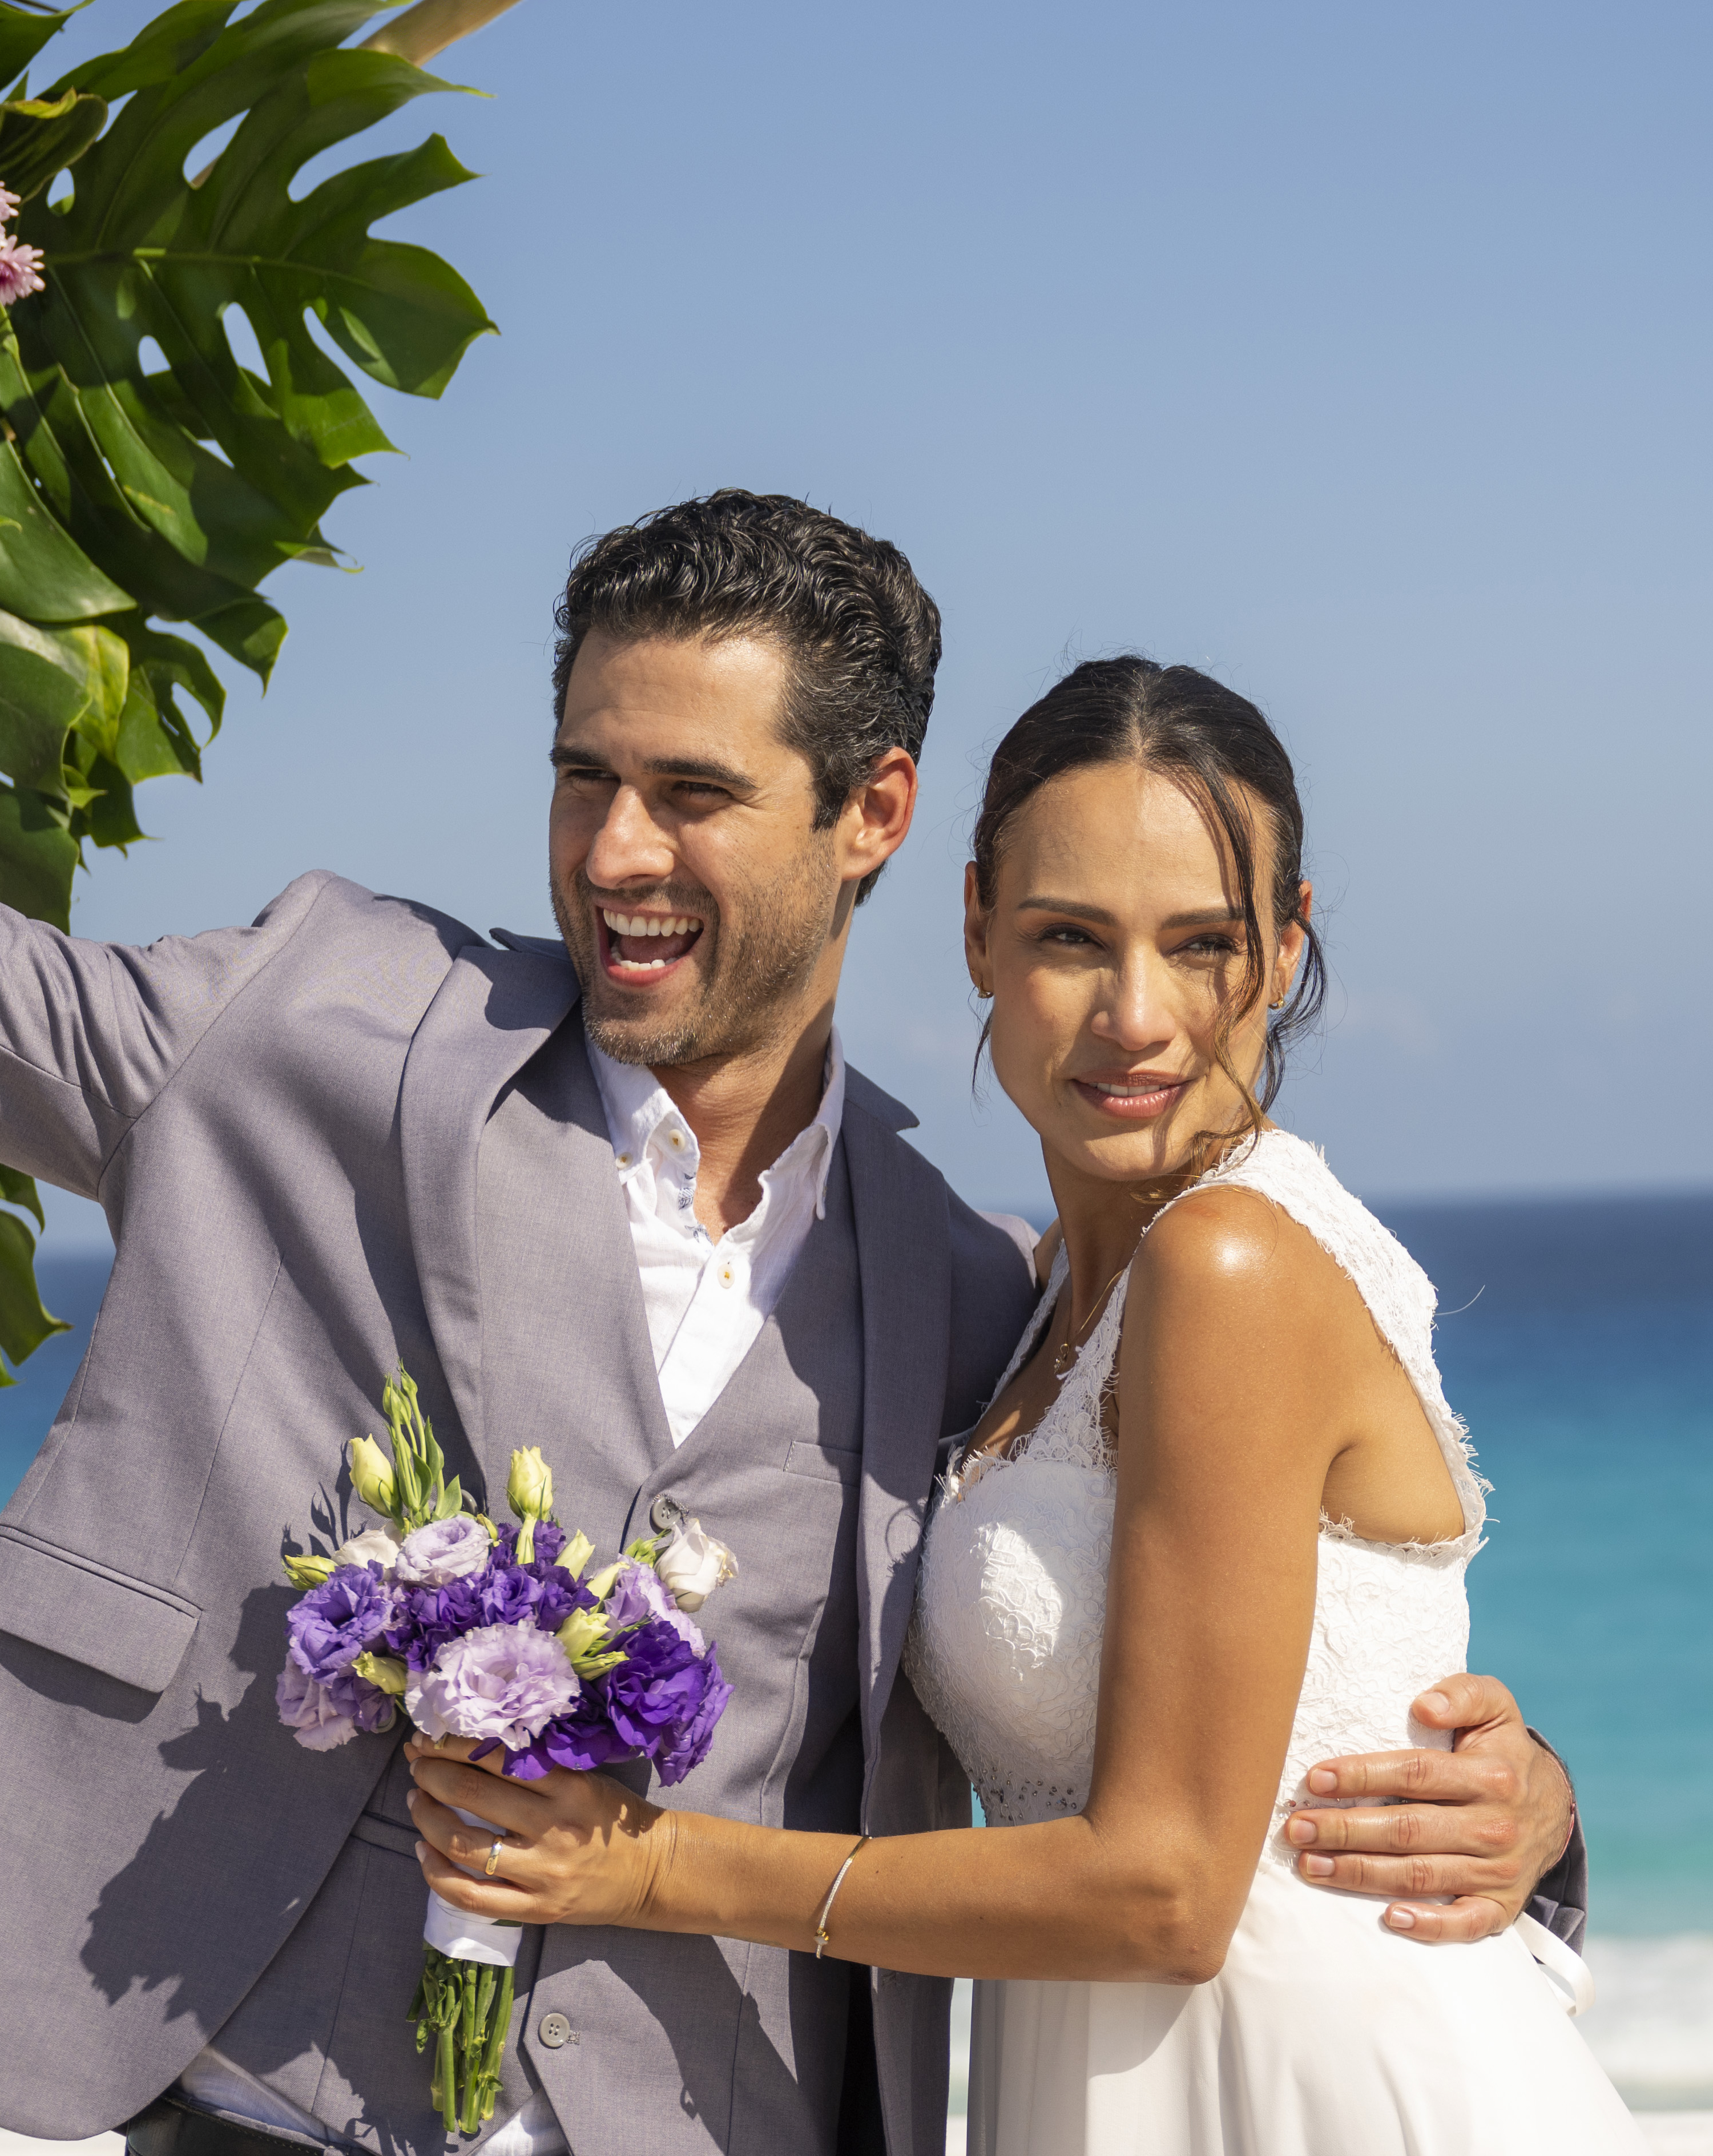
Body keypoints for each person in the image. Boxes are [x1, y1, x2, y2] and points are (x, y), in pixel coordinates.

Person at [0, 247, 1581, 2156]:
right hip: (269, 2098)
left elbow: (1179, 1661)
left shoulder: (962, 1278)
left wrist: (1534, 1817)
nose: (620, 852)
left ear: (876, 818)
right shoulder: (315, 1030)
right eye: (585, 779)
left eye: (696, 796)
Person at [408, 658, 1646, 2154]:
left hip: (1315, 2093)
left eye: (1202, 943)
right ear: (980, 924)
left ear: (1282, 946)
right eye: (1071, 939)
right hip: (1116, 2080)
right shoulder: (1050, 1290)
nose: (1138, 1017)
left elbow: (1170, 1892)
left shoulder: (1231, 1261)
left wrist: (650, 1869)